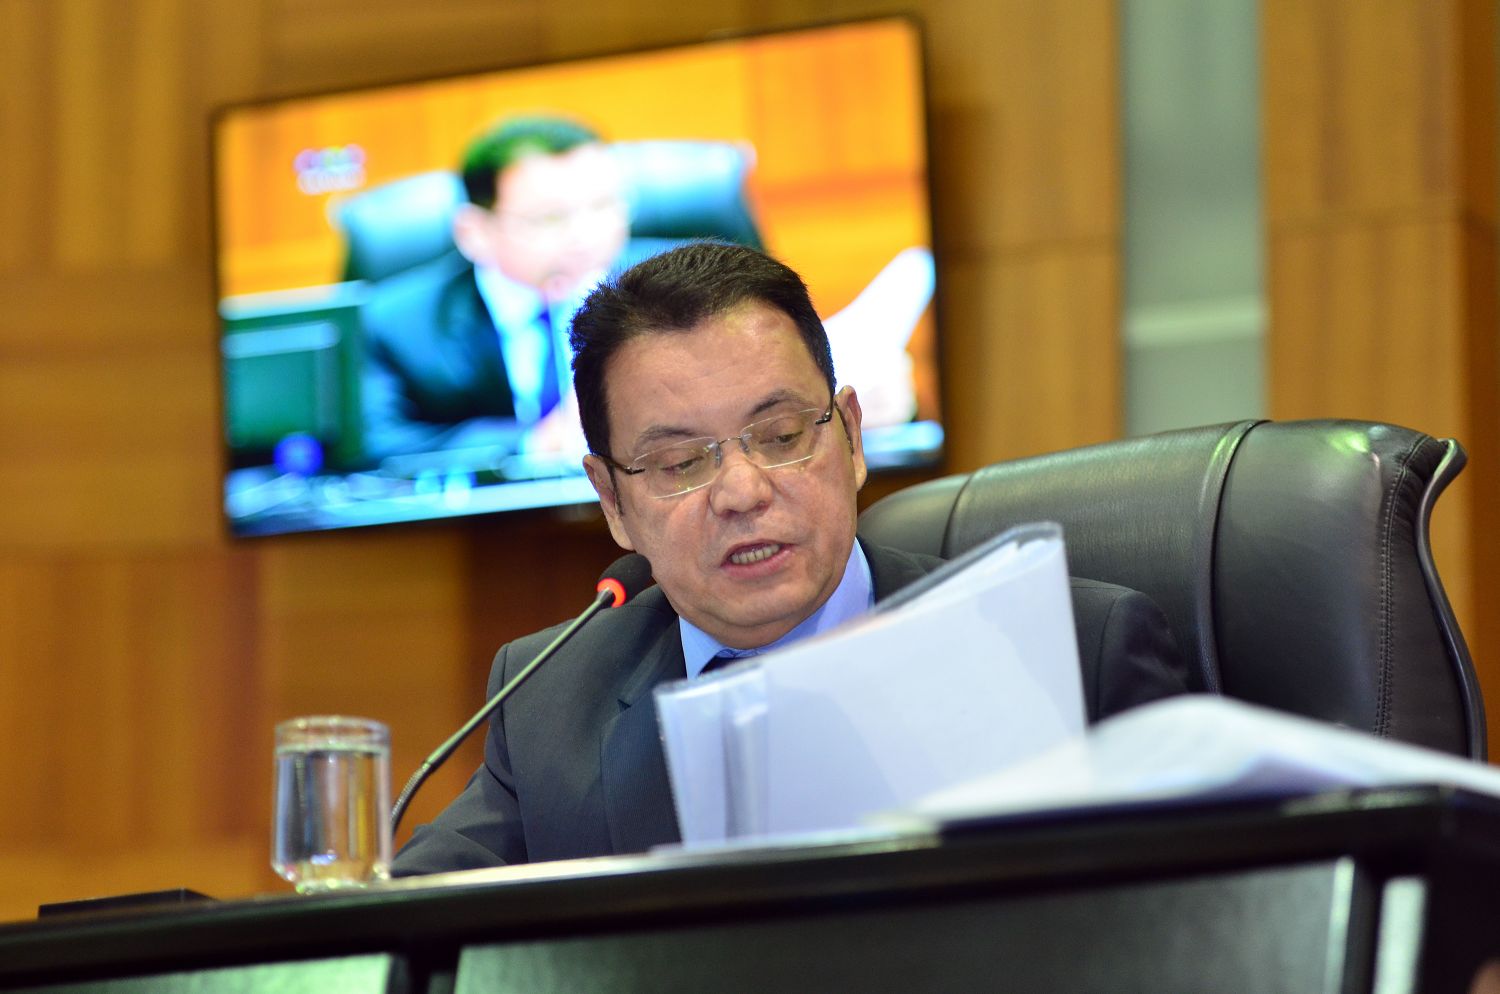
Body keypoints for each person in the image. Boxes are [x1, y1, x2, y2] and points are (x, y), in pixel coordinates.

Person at [391, 242, 1188, 874]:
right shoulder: (550, 701)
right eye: (680, 463)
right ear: (613, 503)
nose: (742, 491)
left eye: (780, 437)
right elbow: (399, 933)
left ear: (852, 438)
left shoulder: (1072, 653)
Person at [358, 116, 632, 461]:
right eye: (550, 217)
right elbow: (376, 446)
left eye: (603, 206)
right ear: (474, 232)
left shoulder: (671, 291)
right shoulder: (394, 325)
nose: (586, 235)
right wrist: (534, 445)